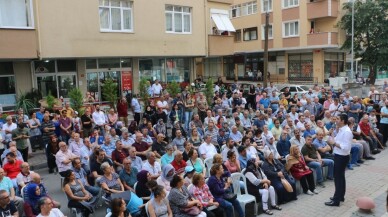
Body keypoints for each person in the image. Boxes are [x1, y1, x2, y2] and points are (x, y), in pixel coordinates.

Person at [325, 114, 353, 207]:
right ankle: (340, 196)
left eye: (337, 119)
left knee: (338, 178)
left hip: (342, 157)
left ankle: (336, 200)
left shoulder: (347, 132)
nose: (335, 120)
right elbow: (335, 140)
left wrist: (334, 143)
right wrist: (331, 135)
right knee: (340, 177)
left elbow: (346, 147)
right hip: (338, 155)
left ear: (343, 121)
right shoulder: (341, 130)